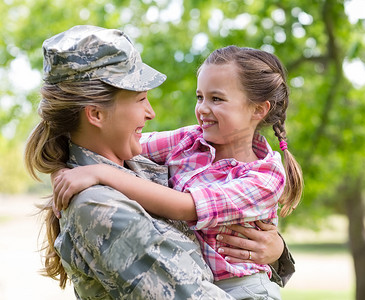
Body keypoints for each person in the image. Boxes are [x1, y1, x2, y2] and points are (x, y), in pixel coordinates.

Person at [24, 25, 294, 300]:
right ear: (95, 114)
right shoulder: (100, 205)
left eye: (217, 98)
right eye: (141, 98)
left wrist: (277, 251)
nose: (151, 112)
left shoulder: (133, 163)